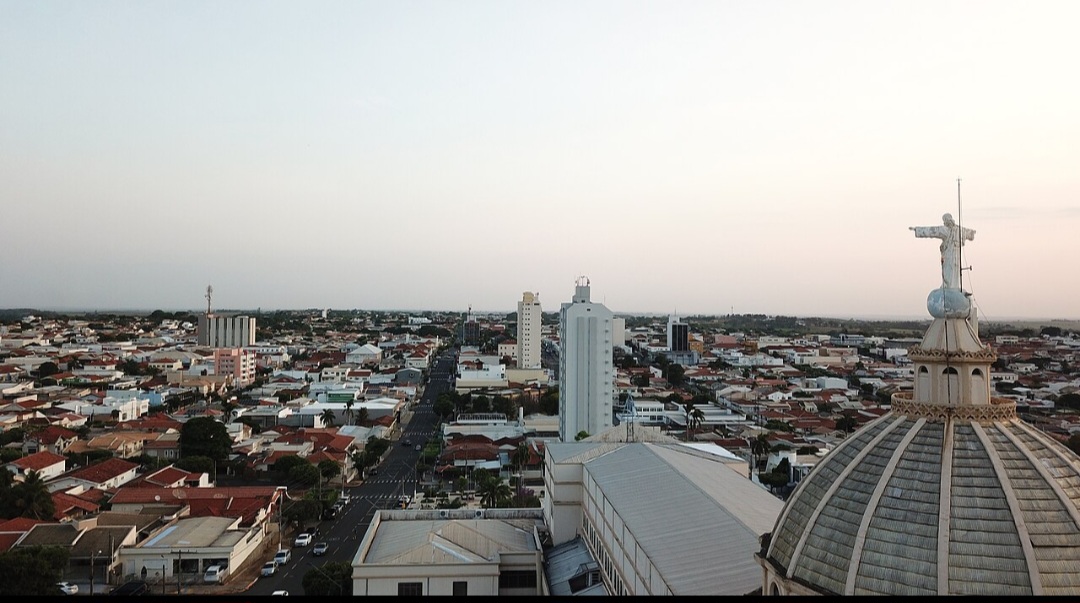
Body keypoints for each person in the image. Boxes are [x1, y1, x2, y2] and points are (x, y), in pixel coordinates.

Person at [910, 213, 975, 289]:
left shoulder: (946, 230)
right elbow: (970, 233)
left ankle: (950, 286)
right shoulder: (960, 230)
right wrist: (972, 233)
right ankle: (953, 286)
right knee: (954, 270)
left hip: (949, 254)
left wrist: (917, 230)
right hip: (955, 255)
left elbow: (933, 231)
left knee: (949, 270)